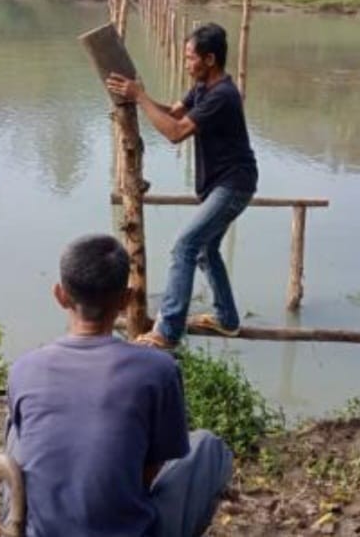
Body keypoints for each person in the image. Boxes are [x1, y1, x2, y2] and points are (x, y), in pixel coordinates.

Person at [2, 234, 234, 537]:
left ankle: (18, 520)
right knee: (209, 447)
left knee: (16, 433)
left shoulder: (23, 368)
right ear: (126, 300)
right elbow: (150, 471)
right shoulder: (158, 369)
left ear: (60, 295)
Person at [106, 22, 257, 349]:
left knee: (184, 245)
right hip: (223, 184)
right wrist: (139, 97)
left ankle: (167, 331)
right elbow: (173, 114)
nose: (186, 63)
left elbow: (175, 133)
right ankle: (227, 319)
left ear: (210, 59)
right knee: (205, 250)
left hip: (234, 184)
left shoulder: (222, 95)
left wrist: (139, 96)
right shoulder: (203, 88)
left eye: (190, 58)